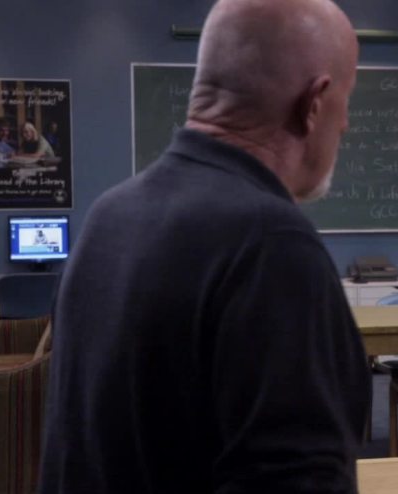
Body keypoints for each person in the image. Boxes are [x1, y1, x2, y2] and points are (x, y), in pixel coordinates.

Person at [39, 1, 369, 493]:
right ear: (315, 103)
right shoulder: (272, 246)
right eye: (348, 100)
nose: (345, 125)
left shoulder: (107, 219)